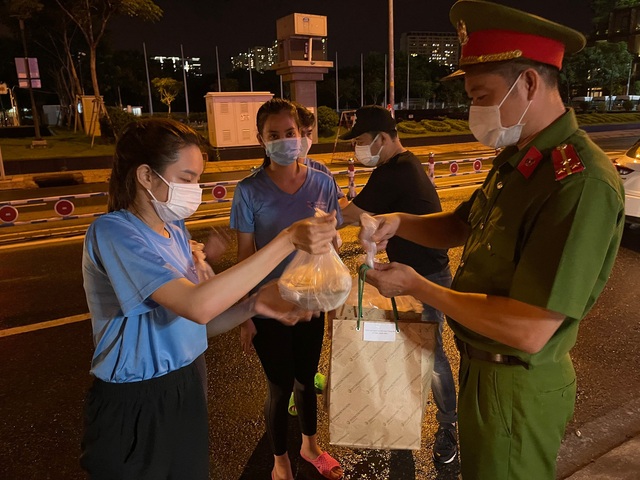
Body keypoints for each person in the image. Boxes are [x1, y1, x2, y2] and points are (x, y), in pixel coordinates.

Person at [363, 1, 626, 479]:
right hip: (484, 370)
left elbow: (529, 328)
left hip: (516, 383)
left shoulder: (578, 182)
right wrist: (397, 220)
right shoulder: (518, 158)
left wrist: (418, 285)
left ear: (528, 83)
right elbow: (462, 225)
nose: (474, 110)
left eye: (481, 95)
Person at [80, 118, 338, 480]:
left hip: (187, 381)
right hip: (135, 398)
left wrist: (253, 305)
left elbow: (195, 325)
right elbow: (196, 304)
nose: (194, 189)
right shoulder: (113, 232)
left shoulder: (175, 232)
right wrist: (287, 240)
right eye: (186, 179)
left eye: (198, 179)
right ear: (146, 176)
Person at [339, 105, 459, 465]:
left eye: (361, 141)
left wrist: (327, 200)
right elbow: (374, 217)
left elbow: (347, 214)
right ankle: (401, 423)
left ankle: (448, 427)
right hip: (408, 274)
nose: (358, 149)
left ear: (383, 138)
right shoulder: (401, 166)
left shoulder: (397, 171)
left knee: (431, 357)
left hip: (423, 279)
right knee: (405, 351)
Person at [231, 98, 344, 480]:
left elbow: (332, 242)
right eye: (274, 135)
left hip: (312, 304)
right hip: (267, 307)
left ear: (302, 135)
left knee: (306, 380)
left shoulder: (323, 182)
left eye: (290, 133)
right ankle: (280, 461)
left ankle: (309, 446)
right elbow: (244, 258)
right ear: (260, 139)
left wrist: (332, 303)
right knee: (279, 388)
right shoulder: (248, 191)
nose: (284, 141)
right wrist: (245, 316)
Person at [295, 102, 350, 209]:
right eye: (300, 134)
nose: (305, 140)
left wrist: (322, 210)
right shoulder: (267, 179)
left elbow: (342, 200)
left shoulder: (320, 170)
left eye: (309, 133)